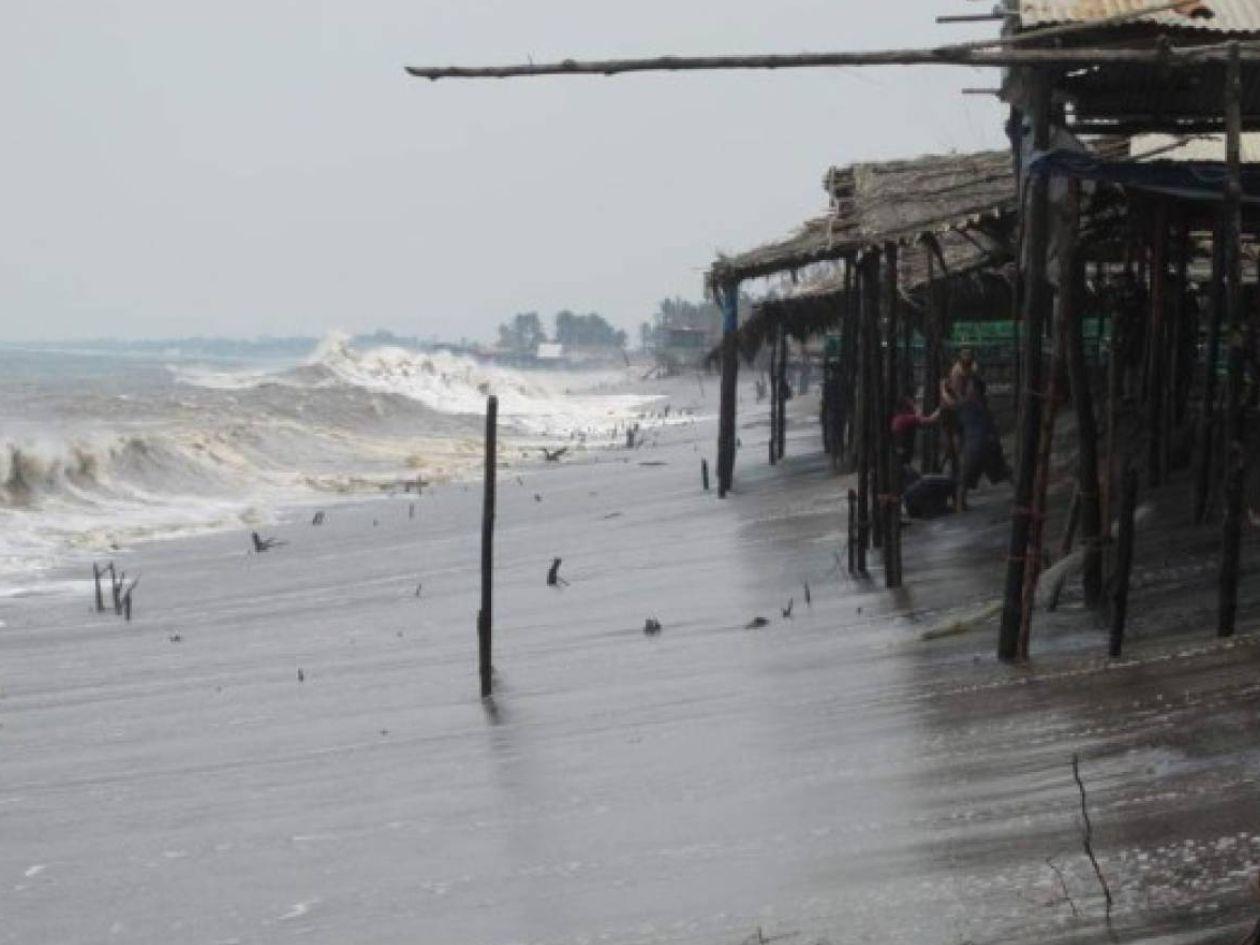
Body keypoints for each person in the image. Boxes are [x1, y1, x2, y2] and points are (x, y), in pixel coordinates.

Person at [890, 396, 941, 468]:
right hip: (903, 449)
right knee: (905, 465)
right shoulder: (905, 418)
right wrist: (940, 409)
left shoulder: (897, 418)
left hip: (899, 449)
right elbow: (929, 420)